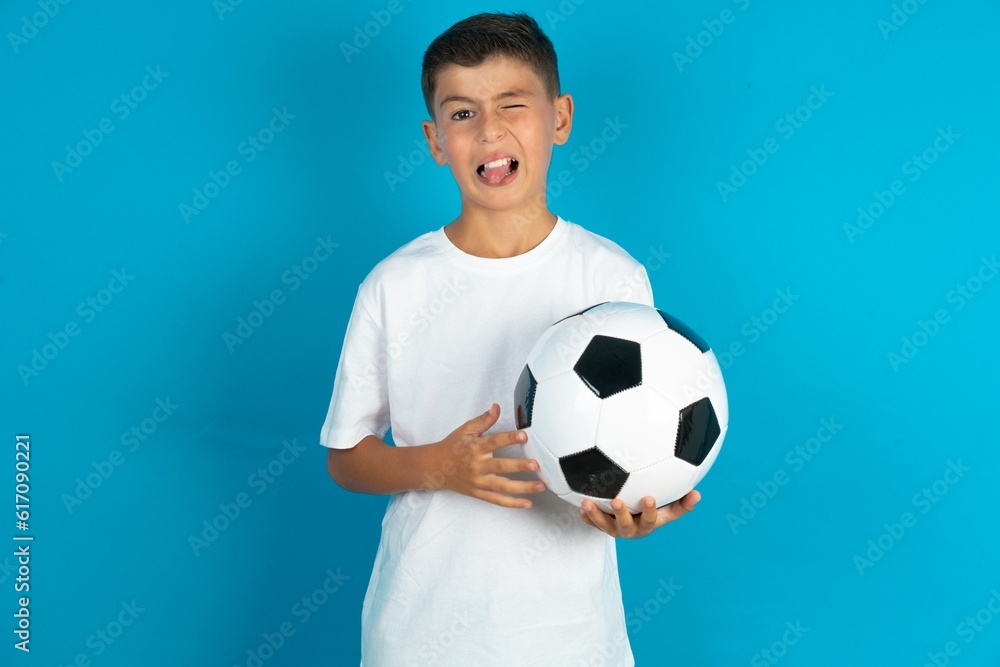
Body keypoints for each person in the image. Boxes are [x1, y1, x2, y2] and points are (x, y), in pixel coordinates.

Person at [320, 12, 700, 666]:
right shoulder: (394, 284)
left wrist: (635, 506)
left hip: (570, 637)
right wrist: (437, 465)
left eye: (512, 104)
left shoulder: (611, 276)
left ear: (560, 118)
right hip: (420, 634)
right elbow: (346, 455)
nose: (489, 130)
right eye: (462, 113)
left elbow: (638, 435)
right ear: (435, 139)